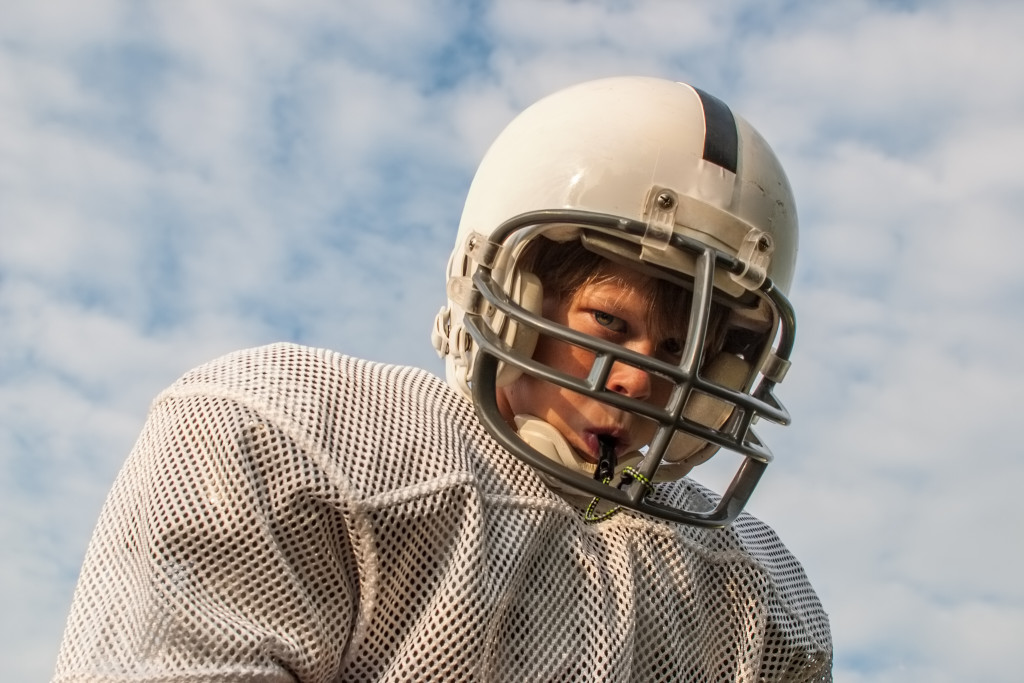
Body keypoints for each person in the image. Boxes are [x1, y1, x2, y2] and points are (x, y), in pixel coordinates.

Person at [53, 77, 832, 682]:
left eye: (680, 353)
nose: (638, 381)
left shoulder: (749, 598)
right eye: (609, 322)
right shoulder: (297, 440)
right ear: (511, 295)